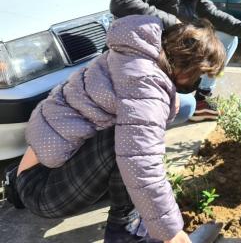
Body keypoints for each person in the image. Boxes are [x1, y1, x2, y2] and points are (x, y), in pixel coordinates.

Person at [7, 15, 225, 243]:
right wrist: (172, 233)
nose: (198, 83)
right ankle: (124, 233)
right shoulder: (146, 86)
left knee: (133, 142)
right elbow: (141, 164)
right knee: (130, 147)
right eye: (199, 76)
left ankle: (17, 183)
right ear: (187, 66)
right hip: (41, 189)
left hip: (35, 170)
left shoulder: (135, 54)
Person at [110, 0, 241, 122]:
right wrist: (173, 22)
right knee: (184, 107)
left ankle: (202, 97)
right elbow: (123, 0)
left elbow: (212, 14)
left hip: (166, 56)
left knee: (227, 38)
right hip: (142, 59)